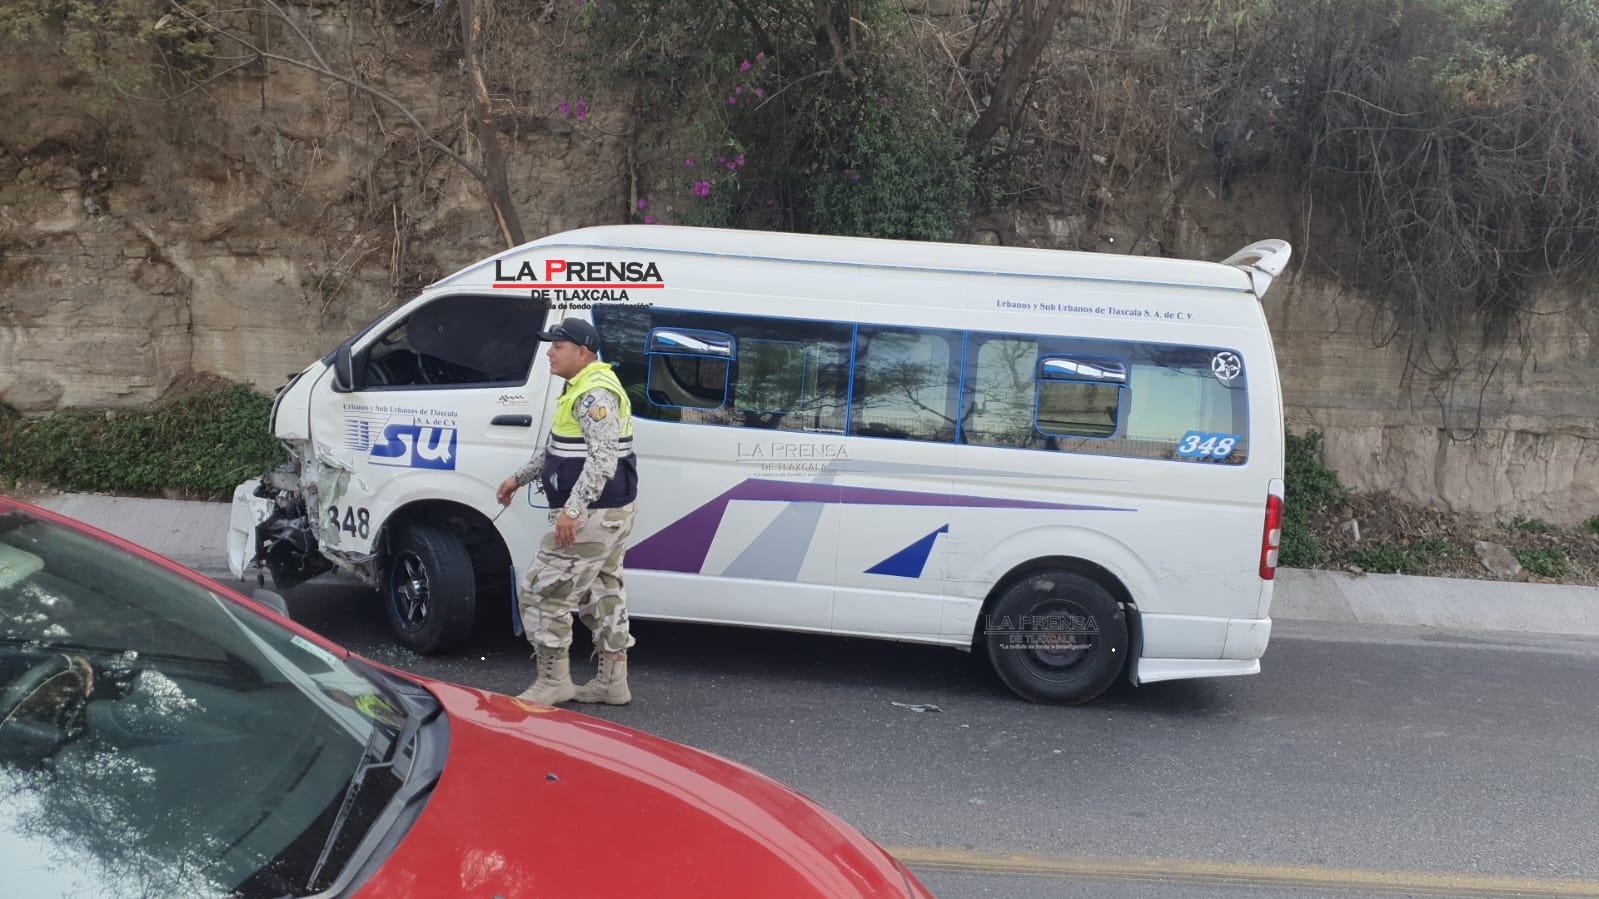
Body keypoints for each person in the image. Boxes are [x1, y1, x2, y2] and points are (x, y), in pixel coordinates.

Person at [496, 317, 639, 705]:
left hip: (593, 515)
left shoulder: (594, 396)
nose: (549, 353)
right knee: (604, 590)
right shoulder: (579, 388)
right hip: (608, 512)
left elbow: (603, 459)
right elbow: (557, 449)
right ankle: (612, 683)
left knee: (542, 593)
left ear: (583, 352)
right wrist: (518, 478)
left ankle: (553, 681)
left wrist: (573, 510)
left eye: (557, 347)